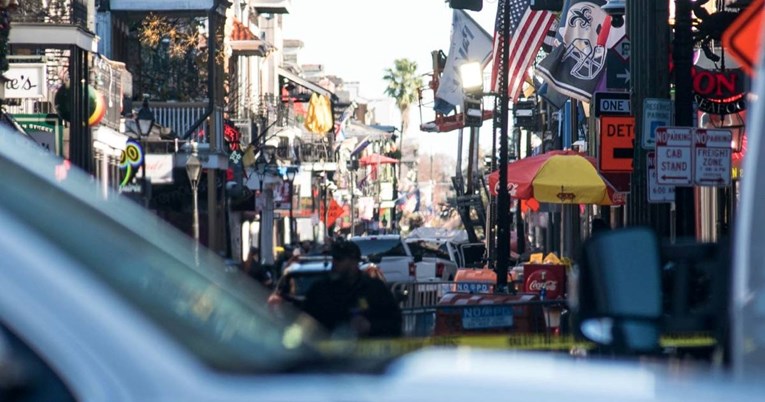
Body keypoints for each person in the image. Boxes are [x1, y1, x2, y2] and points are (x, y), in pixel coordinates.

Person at [303, 241, 402, 338]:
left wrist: (370, 326)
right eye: (333, 259)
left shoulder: (374, 288)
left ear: (354, 261)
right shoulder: (320, 290)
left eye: (339, 259)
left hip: (366, 350)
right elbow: (304, 322)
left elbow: (395, 322)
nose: (334, 263)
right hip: (330, 351)